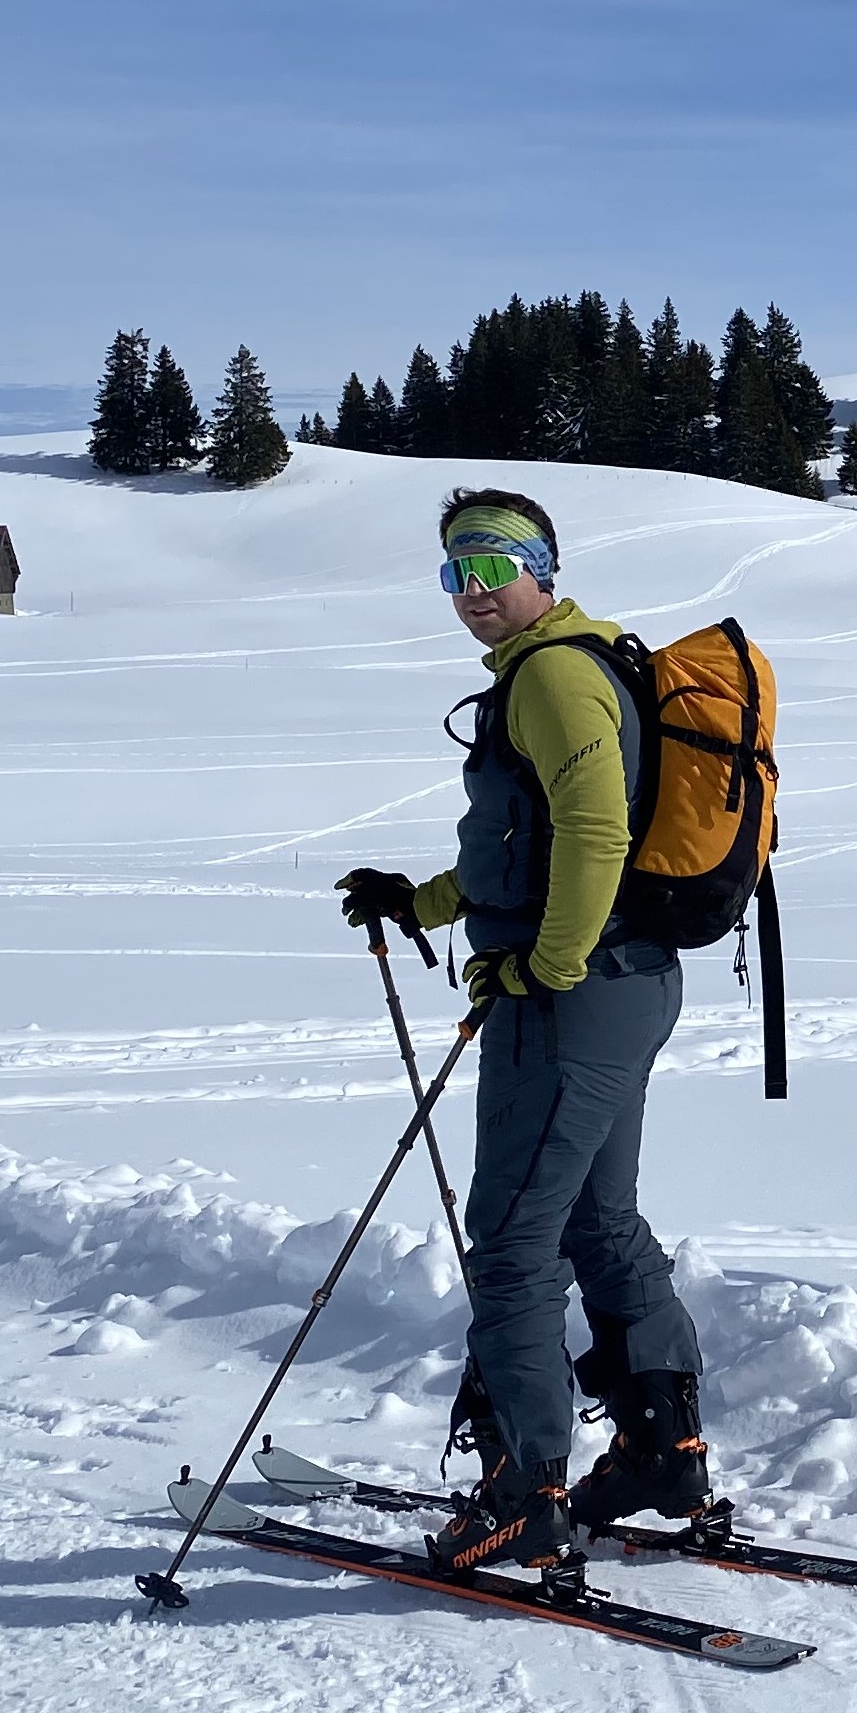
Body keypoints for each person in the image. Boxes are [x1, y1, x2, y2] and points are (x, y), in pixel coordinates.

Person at [337, 489, 721, 1578]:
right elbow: (536, 846)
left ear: (544, 565)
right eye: (454, 573)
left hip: (575, 994)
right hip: (624, 983)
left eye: (493, 566)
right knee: (599, 1225)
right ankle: (659, 1453)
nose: (472, 593)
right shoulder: (573, 664)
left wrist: (545, 965)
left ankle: (525, 1492)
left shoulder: (554, 673)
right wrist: (424, 903)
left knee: (511, 1244)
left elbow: (596, 831)